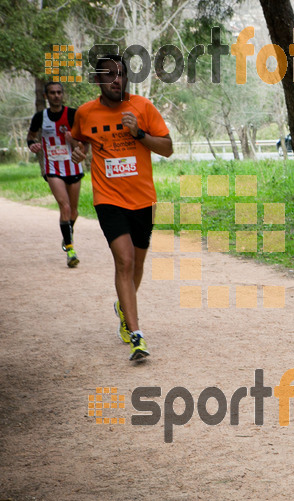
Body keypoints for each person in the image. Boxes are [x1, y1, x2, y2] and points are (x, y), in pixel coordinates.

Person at [69, 55, 173, 361]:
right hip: (108, 198)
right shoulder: (86, 113)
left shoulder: (142, 107)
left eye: (121, 75)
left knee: (137, 265)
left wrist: (139, 134)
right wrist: (78, 152)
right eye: (109, 75)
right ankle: (136, 334)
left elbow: (167, 148)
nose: (117, 80)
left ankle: (123, 307)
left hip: (142, 198)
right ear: (98, 80)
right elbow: (78, 141)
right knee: (125, 262)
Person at [27, 81, 87, 267]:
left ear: (63, 94)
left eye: (59, 92)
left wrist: (73, 141)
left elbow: (84, 142)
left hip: (73, 166)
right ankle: (70, 250)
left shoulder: (73, 114)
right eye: (52, 93)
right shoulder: (40, 117)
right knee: (65, 207)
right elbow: (30, 137)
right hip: (52, 168)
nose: (56, 95)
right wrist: (32, 145)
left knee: (74, 211)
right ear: (46, 96)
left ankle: (67, 233)